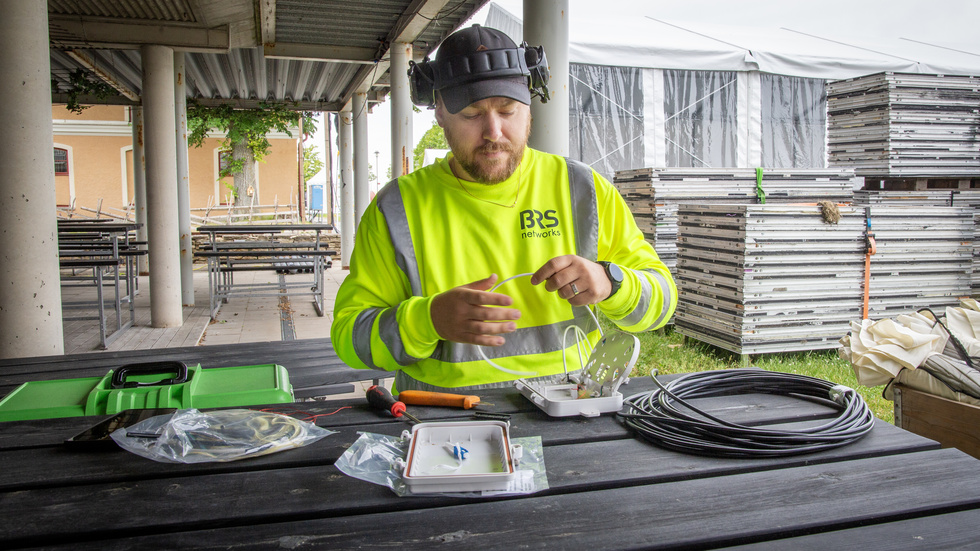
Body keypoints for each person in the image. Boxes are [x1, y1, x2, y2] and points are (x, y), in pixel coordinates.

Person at [331, 25, 676, 392]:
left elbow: (663, 300)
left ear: (529, 108)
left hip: (570, 402)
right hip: (442, 418)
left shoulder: (581, 190)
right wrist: (426, 320)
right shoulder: (397, 209)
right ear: (440, 114)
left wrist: (612, 282)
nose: (493, 131)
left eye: (508, 110)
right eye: (471, 114)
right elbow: (350, 340)